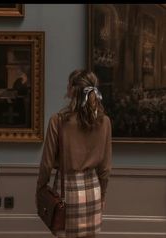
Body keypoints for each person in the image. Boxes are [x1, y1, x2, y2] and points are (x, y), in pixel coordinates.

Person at [36, 69, 112, 238]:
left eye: (68, 84)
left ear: (73, 90)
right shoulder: (104, 121)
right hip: (93, 191)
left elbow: (47, 164)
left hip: (66, 193)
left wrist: (40, 189)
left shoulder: (58, 120)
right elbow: (105, 168)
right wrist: (103, 195)